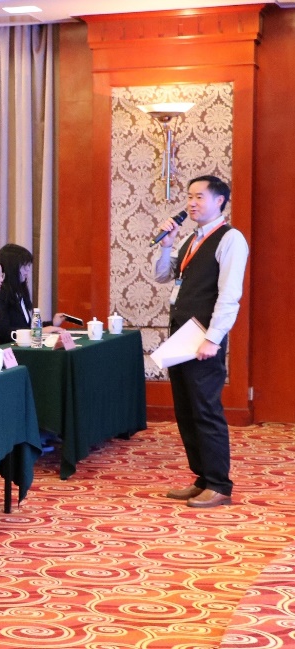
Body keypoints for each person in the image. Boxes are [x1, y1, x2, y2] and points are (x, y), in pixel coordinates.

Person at [153, 175, 248, 508]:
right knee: (186, 410)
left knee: (206, 411)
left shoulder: (230, 239)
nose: (191, 203)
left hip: (203, 339)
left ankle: (219, 484)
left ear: (219, 200)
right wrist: (167, 246)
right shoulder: (191, 239)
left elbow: (229, 294)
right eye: (189, 197)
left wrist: (213, 338)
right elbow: (163, 276)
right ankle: (203, 478)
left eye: (199, 197)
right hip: (181, 336)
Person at [0, 243, 64, 344]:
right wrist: (38, 332)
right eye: (24, 266)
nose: (28, 269)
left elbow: (27, 327)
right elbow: (4, 332)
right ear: (12, 268)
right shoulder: (0, 294)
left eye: (28, 265)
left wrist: (52, 323)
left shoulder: (20, 292)